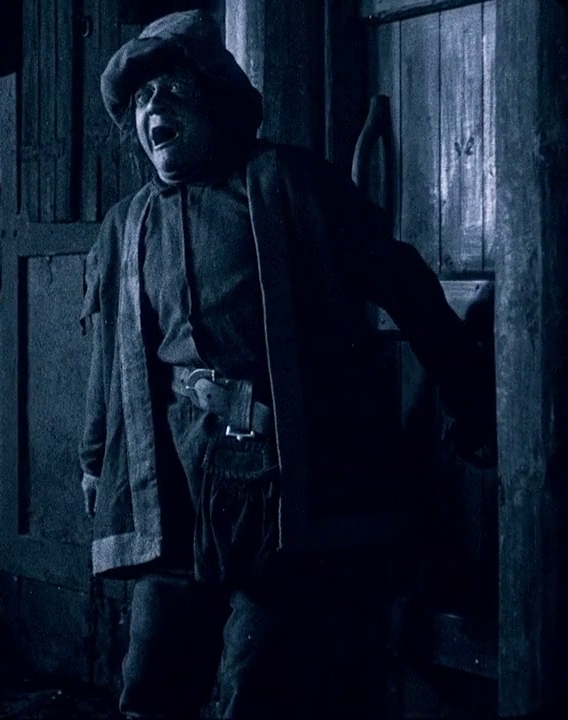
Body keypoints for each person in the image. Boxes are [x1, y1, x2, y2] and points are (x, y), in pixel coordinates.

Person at [78, 10, 495, 720]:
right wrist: (95, 459)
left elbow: (404, 283)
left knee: (259, 687)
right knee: (151, 683)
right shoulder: (128, 224)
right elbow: (107, 356)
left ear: (213, 99)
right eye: (143, 99)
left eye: (172, 91)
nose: (154, 109)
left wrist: (470, 397)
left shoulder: (287, 184)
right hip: (176, 486)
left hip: (281, 488)